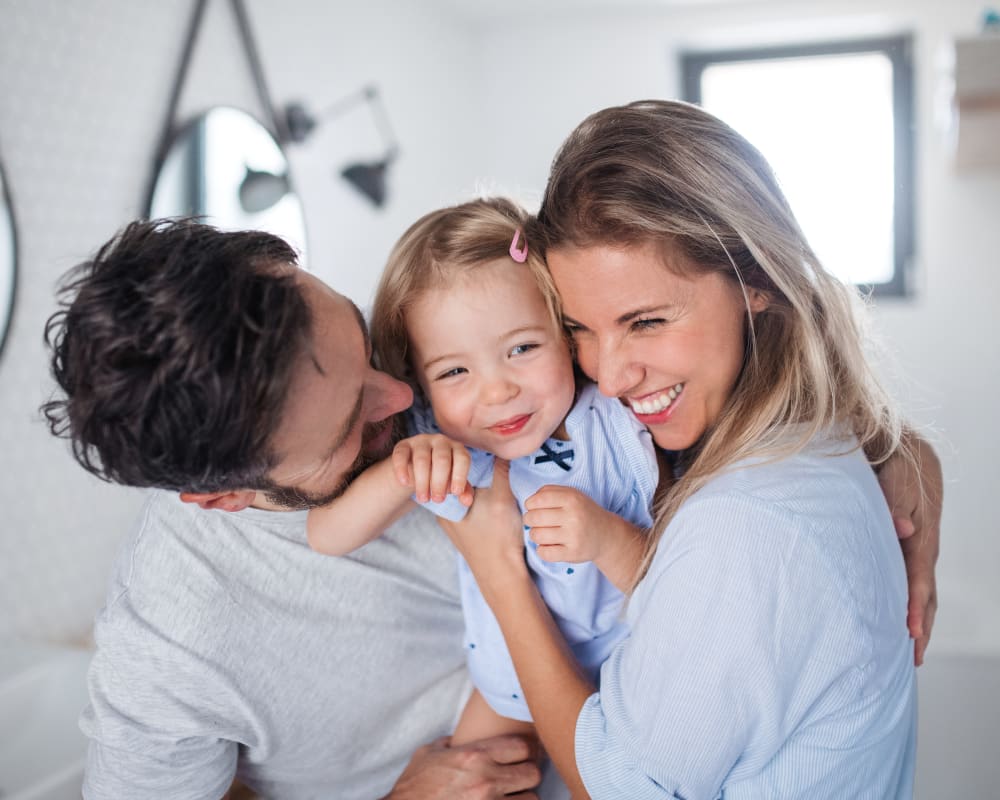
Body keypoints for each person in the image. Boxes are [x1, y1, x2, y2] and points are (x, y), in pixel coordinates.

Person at [439, 99, 942, 798]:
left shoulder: (742, 530)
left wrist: (499, 577)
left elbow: (619, 786)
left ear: (757, 281)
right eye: (579, 328)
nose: (609, 376)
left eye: (645, 321)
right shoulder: (803, 436)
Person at [41, 219, 543, 800]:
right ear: (224, 497)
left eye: (362, 341)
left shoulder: (428, 325)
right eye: (352, 422)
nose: (403, 394)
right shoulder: (170, 645)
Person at [305, 198, 659, 745]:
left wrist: (608, 538)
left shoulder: (617, 425)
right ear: (421, 383)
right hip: (508, 690)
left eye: (522, 347)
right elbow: (326, 535)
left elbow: (674, 590)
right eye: (454, 371)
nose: (497, 391)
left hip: (633, 679)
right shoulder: (450, 451)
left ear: (565, 332)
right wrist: (405, 470)